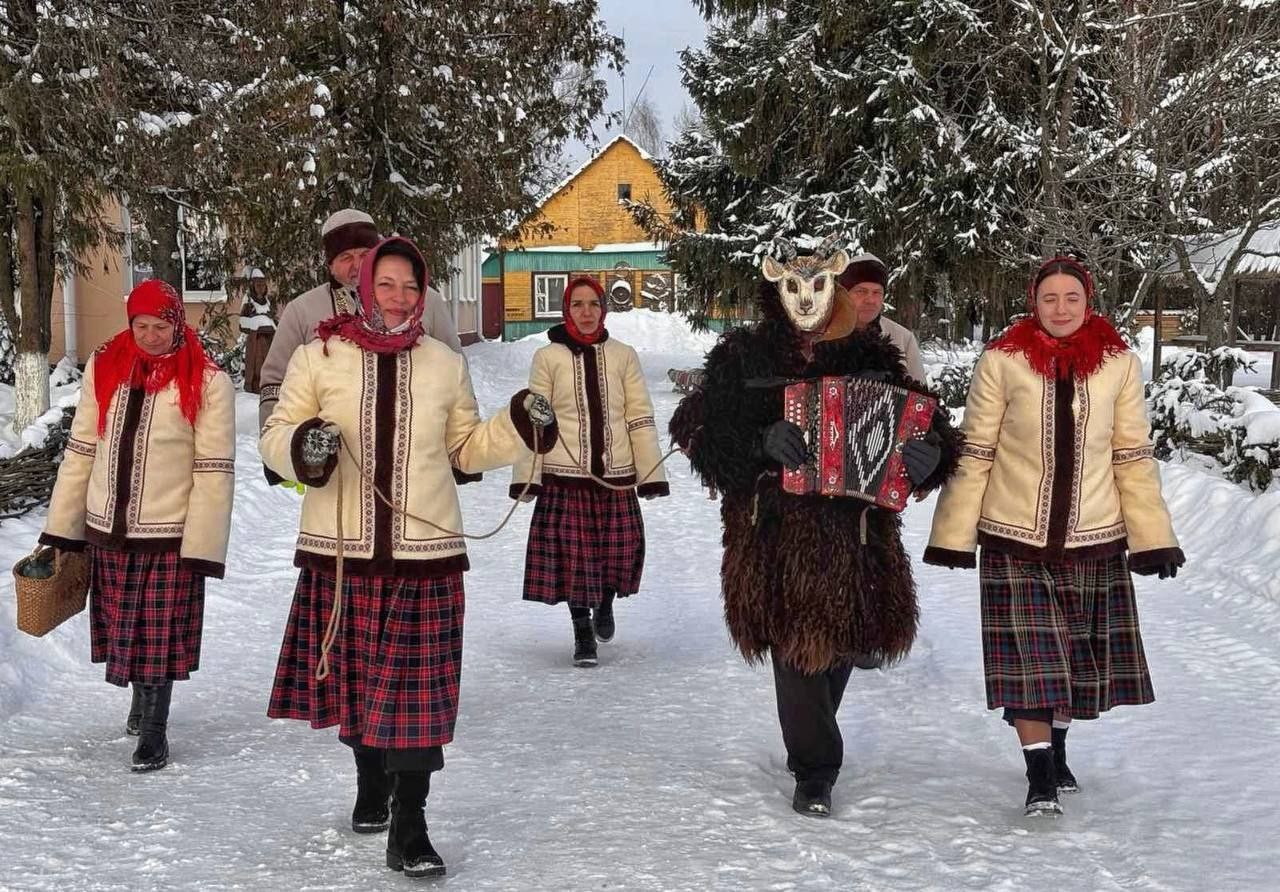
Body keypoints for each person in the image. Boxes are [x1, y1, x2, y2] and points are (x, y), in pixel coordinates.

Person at [260, 236, 555, 878]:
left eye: (411, 286)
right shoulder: (319, 356)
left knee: (418, 698)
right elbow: (276, 436)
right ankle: (371, 777)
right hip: (343, 554)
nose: (398, 297)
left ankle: (411, 823)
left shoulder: (444, 363)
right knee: (360, 688)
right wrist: (303, 447)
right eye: (386, 284)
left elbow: (465, 449)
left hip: (426, 555)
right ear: (364, 286)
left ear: (424, 294)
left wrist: (518, 426)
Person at [669, 240, 961, 818]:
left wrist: (933, 454)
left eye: (818, 288)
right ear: (775, 292)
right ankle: (815, 770)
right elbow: (694, 428)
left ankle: (810, 741)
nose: (806, 301)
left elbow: (928, 421)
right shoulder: (743, 357)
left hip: (856, 537)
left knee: (841, 645)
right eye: (792, 289)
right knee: (798, 651)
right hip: (773, 534)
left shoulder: (872, 353)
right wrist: (758, 442)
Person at [924, 256, 1184, 817]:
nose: (1061, 308)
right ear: (1033, 302)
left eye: (1072, 298)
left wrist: (1153, 538)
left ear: (1088, 302)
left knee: (1074, 663)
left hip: (1094, 538)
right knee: (1032, 662)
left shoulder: (1119, 364)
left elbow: (1132, 455)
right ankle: (1039, 775)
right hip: (1013, 537)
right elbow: (977, 450)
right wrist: (952, 534)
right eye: (1050, 298)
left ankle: (1058, 750)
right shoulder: (1002, 360)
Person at [40, 279, 235, 771]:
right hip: (109, 526)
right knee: (126, 625)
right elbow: (83, 448)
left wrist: (203, 544)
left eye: (160, 327)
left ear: (178, 325)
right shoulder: (106, 366)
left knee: (159, 632)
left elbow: (213, 470)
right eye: (141, 326)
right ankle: (141, 698)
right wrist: (63, 526)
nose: (150, 336)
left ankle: (154, 730)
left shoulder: (208, 381)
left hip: (168, 532)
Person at [510, 277, 669, 667]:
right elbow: (535, 420)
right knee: (576, 561)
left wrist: (651, 474)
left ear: (603, 309)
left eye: (593, 304)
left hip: (615, 476)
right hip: (566, 478)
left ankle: (606, 601)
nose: (586, 312)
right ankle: (582, 632)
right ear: (567, 310)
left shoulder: (623, 356)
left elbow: (639, 415)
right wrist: (527, 477)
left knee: (618, 552)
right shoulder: (548, 358)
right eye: (577, 304)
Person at [257, 208, 462, 440]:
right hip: (332, 453)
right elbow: (275, 383)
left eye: (365, 254)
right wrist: (283, 443)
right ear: (330, 264)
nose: (358, 265)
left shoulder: (424, 300)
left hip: (416, 446)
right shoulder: (302, 311)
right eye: (346, 258)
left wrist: (456, 441)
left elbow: (455, 374)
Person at [836, 253, 927, 383]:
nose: (870, 300)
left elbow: (920, 393)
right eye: (861, 291)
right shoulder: (820, 337)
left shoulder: (903, 339)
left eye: (877, 292)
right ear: (844, 295)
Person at [239, 267, 276, 394]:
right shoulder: (249, 302)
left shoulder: (268, 302)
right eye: (258, 285)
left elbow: (274, 320)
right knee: (256, 365)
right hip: (255, 342)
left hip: (269, 341)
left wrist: (271, 322)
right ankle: (254, 388)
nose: (260, 288)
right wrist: (256, 323)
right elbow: (242, 323)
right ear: (253, 286)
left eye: (263, 285)